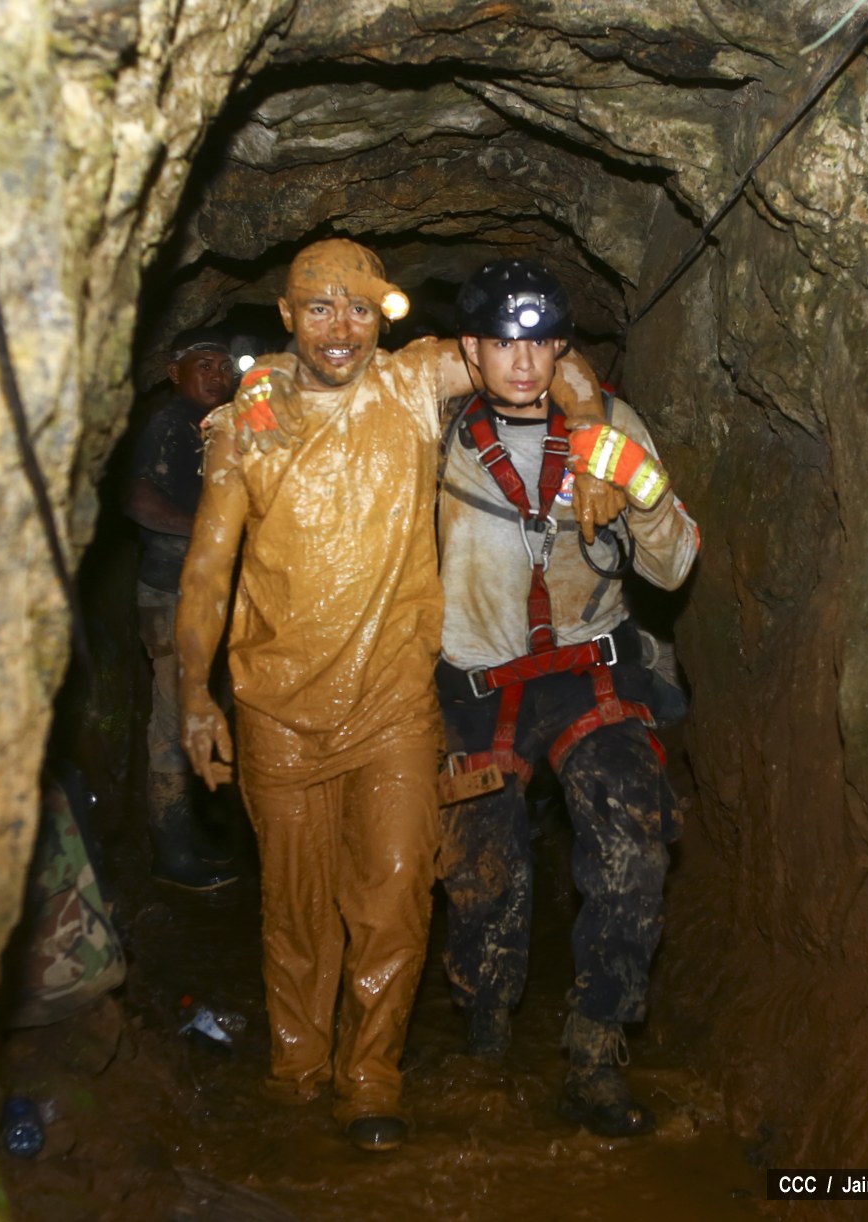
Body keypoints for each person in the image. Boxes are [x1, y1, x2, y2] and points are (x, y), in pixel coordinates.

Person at [174, 238, 610, 1152]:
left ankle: (371, 1077)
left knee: (398, 894)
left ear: (383, 316)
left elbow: (553, 365)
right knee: (299, 909)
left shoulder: (414, 382)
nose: (341, 327)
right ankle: (299, 1069)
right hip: (278, 709)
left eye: (359, 308)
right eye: (319, 308)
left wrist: (595, 443)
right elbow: (208, 572)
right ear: (286, 317)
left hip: (394, 706)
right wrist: (194, 695)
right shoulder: (249, 421)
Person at [436, 258, 700, 1137]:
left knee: (632, 841)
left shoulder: (610, 424)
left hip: (590, 670)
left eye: (543, 342)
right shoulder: (436, 432)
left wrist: (639, 484)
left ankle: (595, 1048)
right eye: (504, 343)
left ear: (562, 348)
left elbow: (675, 566)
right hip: (479, 682)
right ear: (471, 349)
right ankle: (485, 1036)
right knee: (483, 872)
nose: (525, 362)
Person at [124, 327, 239, 891]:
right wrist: (208, 531)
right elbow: (139, 499)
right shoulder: (168, 424)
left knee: (205, 710)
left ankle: (191, 839)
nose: (217, 374)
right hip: (171, 593)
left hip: (205, 594)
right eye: (204, 364)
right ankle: (172, 856)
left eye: (223, 365)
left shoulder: (213, 427)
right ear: (174, 373)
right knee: (174, 720)